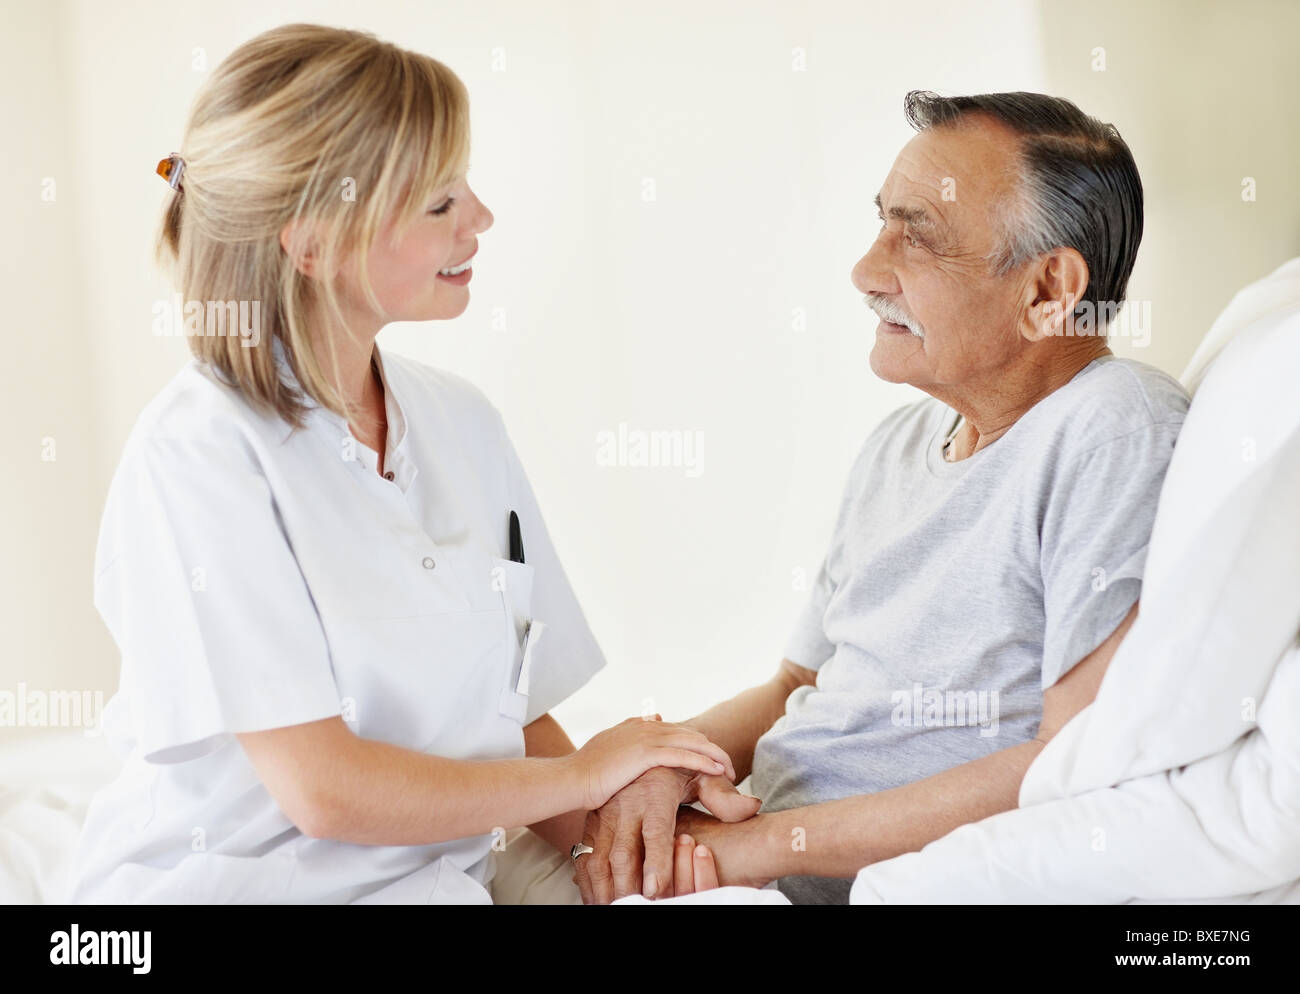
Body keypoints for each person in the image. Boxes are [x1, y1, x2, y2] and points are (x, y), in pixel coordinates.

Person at [67, 23, 734, 905]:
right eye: (440, 203)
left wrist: (638, 831)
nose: (482, 219)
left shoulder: (461, 423)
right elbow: (325, 789)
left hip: (434, 883)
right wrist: (587, 780)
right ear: (311, 246)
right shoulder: (197, 456)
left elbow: (518, 717)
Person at [574, 91, 1191, 904]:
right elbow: (795, 684)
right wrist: (663, 769)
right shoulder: (898, 444)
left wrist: (746, 853)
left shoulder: (1115, 429)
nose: (866, 271)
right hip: (739, 854)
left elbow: (1075, 752)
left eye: (919, 236)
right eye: (880, 223)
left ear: (1048, 289)